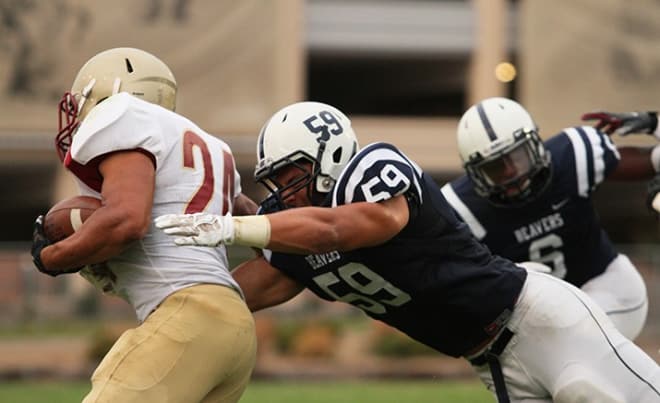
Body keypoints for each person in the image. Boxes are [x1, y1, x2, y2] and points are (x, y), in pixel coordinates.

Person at [155, 101, 660, 402]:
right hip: (489, 360)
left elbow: (354, 226)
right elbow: (232, 296)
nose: (285, 192)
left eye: (293, 176)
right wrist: (159, 287)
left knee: (595, 392)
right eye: (276, 183)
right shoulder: (295, 239)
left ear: (330, 156)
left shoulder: (373, 168)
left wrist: (235, 227)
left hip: (535, 316)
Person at [30, 47, 256, 403]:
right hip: (235, 328)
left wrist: (51, 256)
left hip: (187, 316)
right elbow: (257, 223)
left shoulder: (122, 114)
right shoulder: (214, 147)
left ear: (108, 92)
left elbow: (127, 220)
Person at [438, 97, 652, 341]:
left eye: (517, 157)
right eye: (495, 168)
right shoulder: (461, 207)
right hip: (540, 315)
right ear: (475, 174)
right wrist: (503, 279)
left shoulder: (571, 155)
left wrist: (655, 123)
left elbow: (654, 161)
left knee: (575, 345)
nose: (511, 173)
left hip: (608, 288)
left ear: (535, 144)